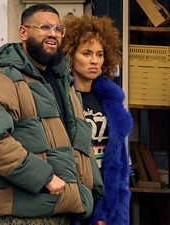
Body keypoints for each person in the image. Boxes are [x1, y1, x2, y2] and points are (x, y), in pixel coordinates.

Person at [0, 3, 104, 225]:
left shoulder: (63, 82)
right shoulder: (5, 78)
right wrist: (44, 178)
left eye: (58, 29)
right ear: (23, 32)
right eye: (44, 27)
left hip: (62, 208)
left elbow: (79, 144)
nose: (53, 34)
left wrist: (92, 195)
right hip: (23, 216)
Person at [62, 14, 133, 225]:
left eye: (100, 54)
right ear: (70, 55)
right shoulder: (61, 97)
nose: (94, 61)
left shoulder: (110, 98)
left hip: (109, 193)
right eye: (86, 53)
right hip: (73, 193)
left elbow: (119, 160)